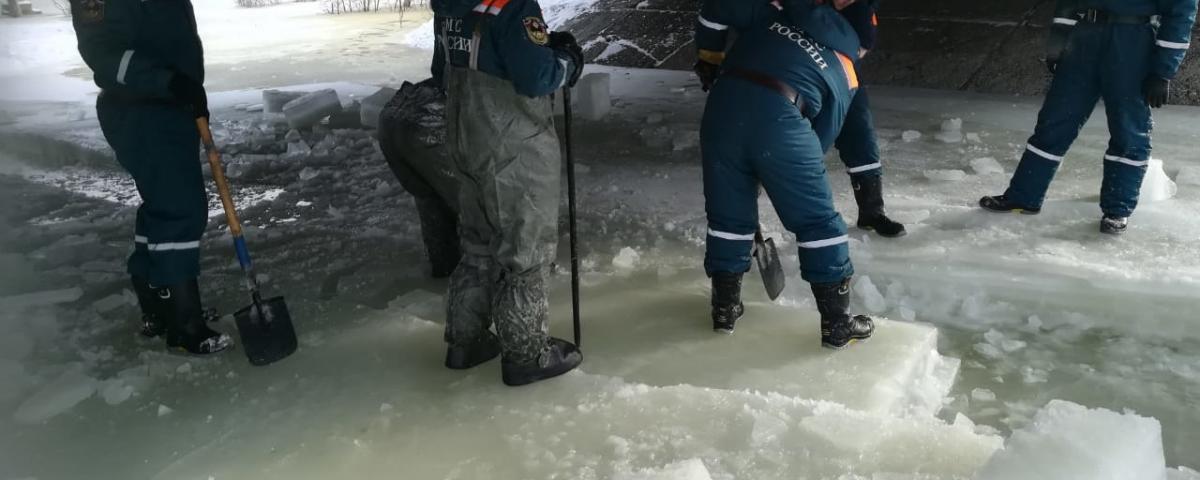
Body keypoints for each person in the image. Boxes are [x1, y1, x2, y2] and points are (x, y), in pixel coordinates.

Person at [693, 0, 876, 348]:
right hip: (782, 119)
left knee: (728, 216)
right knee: (818, 222)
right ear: (859, 44)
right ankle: (837, 324)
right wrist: (776, 167)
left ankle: (724, 308)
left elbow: (715, 9)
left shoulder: (776, 17)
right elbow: (822, 136)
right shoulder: (848, 68)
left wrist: (709, 58)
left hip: (722, 107)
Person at [432, 0, 585, 385]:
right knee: (525, 249)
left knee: (478, 244)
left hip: (465, 136)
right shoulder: (513, 6)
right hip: (512, 144)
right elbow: (536, 77)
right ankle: (525, 353)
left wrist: (541, 47)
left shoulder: (448, 8)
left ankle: (466, 342)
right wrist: (565, 60)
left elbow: (441, 73)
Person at [69, 0, 232, 355]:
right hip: (141, 108)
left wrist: (185, 86)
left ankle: (159, 304)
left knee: (164, 203)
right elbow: (102, 53)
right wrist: (168, 80)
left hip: (171, 103)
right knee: (180, 208)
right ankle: (184, 322)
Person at [979, 0, 1197, 235]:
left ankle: (1117, 211)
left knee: (1129, 131)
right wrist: (1058, 42)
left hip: (1131, 43)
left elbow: (1181, 12)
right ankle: (1023, 197)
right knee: (1054, 122)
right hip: (1083, 39)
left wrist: (1163, 71)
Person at [832, 0, 906, 238]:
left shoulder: (861, 10)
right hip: (793, 71)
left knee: (860, 136)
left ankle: (872, 212)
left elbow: (863, 43)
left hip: (842, 73)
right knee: (782, 145)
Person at [378, 78, 462, 278]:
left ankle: (445, 274)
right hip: (430, 121)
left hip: (395, 115)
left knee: (432, 200)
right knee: (479, 213)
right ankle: (482, 291)